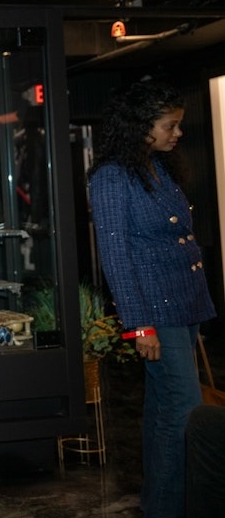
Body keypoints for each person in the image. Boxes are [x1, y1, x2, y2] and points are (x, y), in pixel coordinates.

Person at [88, 80, 215, 518]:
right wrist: (138, 325)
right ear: (141, 127)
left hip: (183, 307)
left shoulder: (156, 168)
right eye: (169, 125)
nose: (177, 134)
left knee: (168, 411)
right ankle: (168, 508)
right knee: (183, 411)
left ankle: (163, 505)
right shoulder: (111, 177)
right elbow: (116, 259)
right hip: (155, 314)